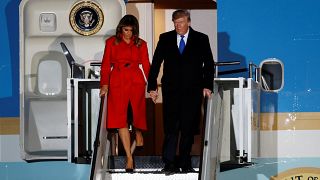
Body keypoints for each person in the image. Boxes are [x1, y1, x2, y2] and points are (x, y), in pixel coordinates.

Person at [147, 9, 215, 175]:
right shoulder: (165, 38)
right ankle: (169, 163)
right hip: (171, 91)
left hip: (192, 91)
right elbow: (155, 64)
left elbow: (209, 64)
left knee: (188, 128)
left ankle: (185, 163)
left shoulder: (201, 39)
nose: (178, 26)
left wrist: (207, 85)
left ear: (189, 22)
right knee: (171, 128)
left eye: (181, 22)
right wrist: (151, 87)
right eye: (176, 23)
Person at [100, 14, 150, 172]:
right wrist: (104, 85)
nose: (128, 33)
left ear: (135, 30)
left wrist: (153, 86)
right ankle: (129, 157)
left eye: (131, 30)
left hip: (136, 80)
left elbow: (147, 66)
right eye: (125, 29)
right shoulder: (111, 42)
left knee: (136, 113)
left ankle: (139, 132)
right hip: (118, 81)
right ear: (120, 28)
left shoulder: (141, 44)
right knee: (120, 118)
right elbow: (106, 65)